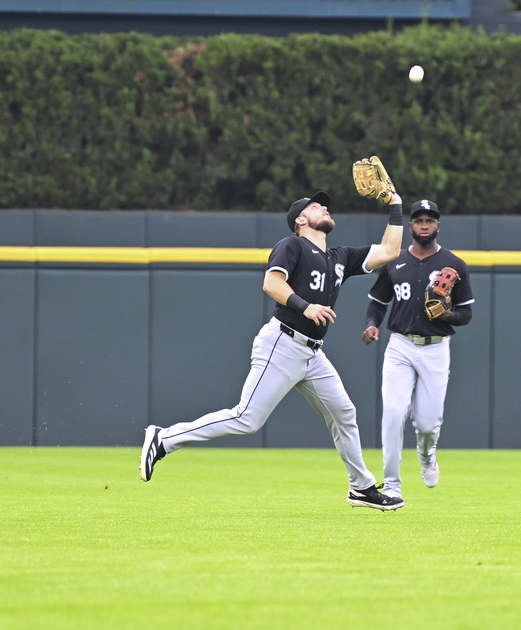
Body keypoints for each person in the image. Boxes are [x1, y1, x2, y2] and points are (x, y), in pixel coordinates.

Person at [141, 188, 406, 511]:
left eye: (324, 204)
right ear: (301, 219)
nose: (324, 207)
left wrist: (395, 204)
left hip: (312, 354)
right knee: (247, 418)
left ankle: (361, 487)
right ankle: (164, 439)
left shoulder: (339, 257)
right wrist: (305, 306)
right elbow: (272, 283)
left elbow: (390, 250)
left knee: (344, 413)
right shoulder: (291, 245)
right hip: (283, 343)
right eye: (316, 205)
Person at [361, 199, 474, 500]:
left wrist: (448, 316)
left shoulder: (455, 265)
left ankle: (426, 455)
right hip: (399, 345)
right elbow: (377, 302)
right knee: (394, 413)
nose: (424, 225)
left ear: (438, 226)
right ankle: (392, 483)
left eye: (430, 220)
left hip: (436, 349)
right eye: (419, 220)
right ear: (410, 226)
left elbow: (466, 314)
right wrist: (372, 324)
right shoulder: (395, 262)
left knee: (427, 424)